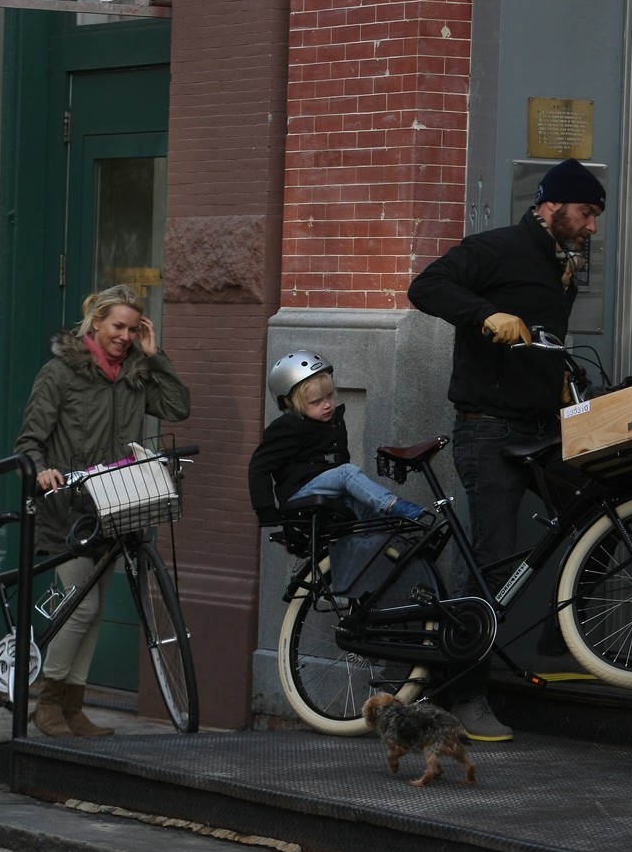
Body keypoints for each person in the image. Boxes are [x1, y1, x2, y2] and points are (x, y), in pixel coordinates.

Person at [407, 158, 607, 740]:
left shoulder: (565, 262)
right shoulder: (494, 247)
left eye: (596, 217)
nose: (592, 226)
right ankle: (462, 695)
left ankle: (563, 643)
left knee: (595, 509)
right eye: (586, 213)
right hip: (489, 429)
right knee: (491, 558)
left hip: (544, 427)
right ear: (551, 206)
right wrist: (485, 312)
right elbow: (425, 286)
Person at [14, 285, 191, 738]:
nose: (126, 336)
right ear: (95, 322)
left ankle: (73, 706)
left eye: (133, 329)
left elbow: (177, 406)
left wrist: (156, 357)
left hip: (114, 508)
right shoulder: (60, 374)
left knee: (91, 609)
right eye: (118, 326)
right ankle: (48, 702)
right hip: (67, 510)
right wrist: (42, 470)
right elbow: (28, 442)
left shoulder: (134, 374)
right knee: (82, 603)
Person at [248, 350, 425, 526]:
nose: (327, 405)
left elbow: (340, 458)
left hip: (329, 489)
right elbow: (259, 466)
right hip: (300, 491)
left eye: (329, 396)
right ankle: (393, 505)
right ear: (295, 404)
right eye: (316, 402)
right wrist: (265, 510)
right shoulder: (287, 426)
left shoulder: (335, 422)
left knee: (363, 510)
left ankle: (390, 538)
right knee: (347, 472)